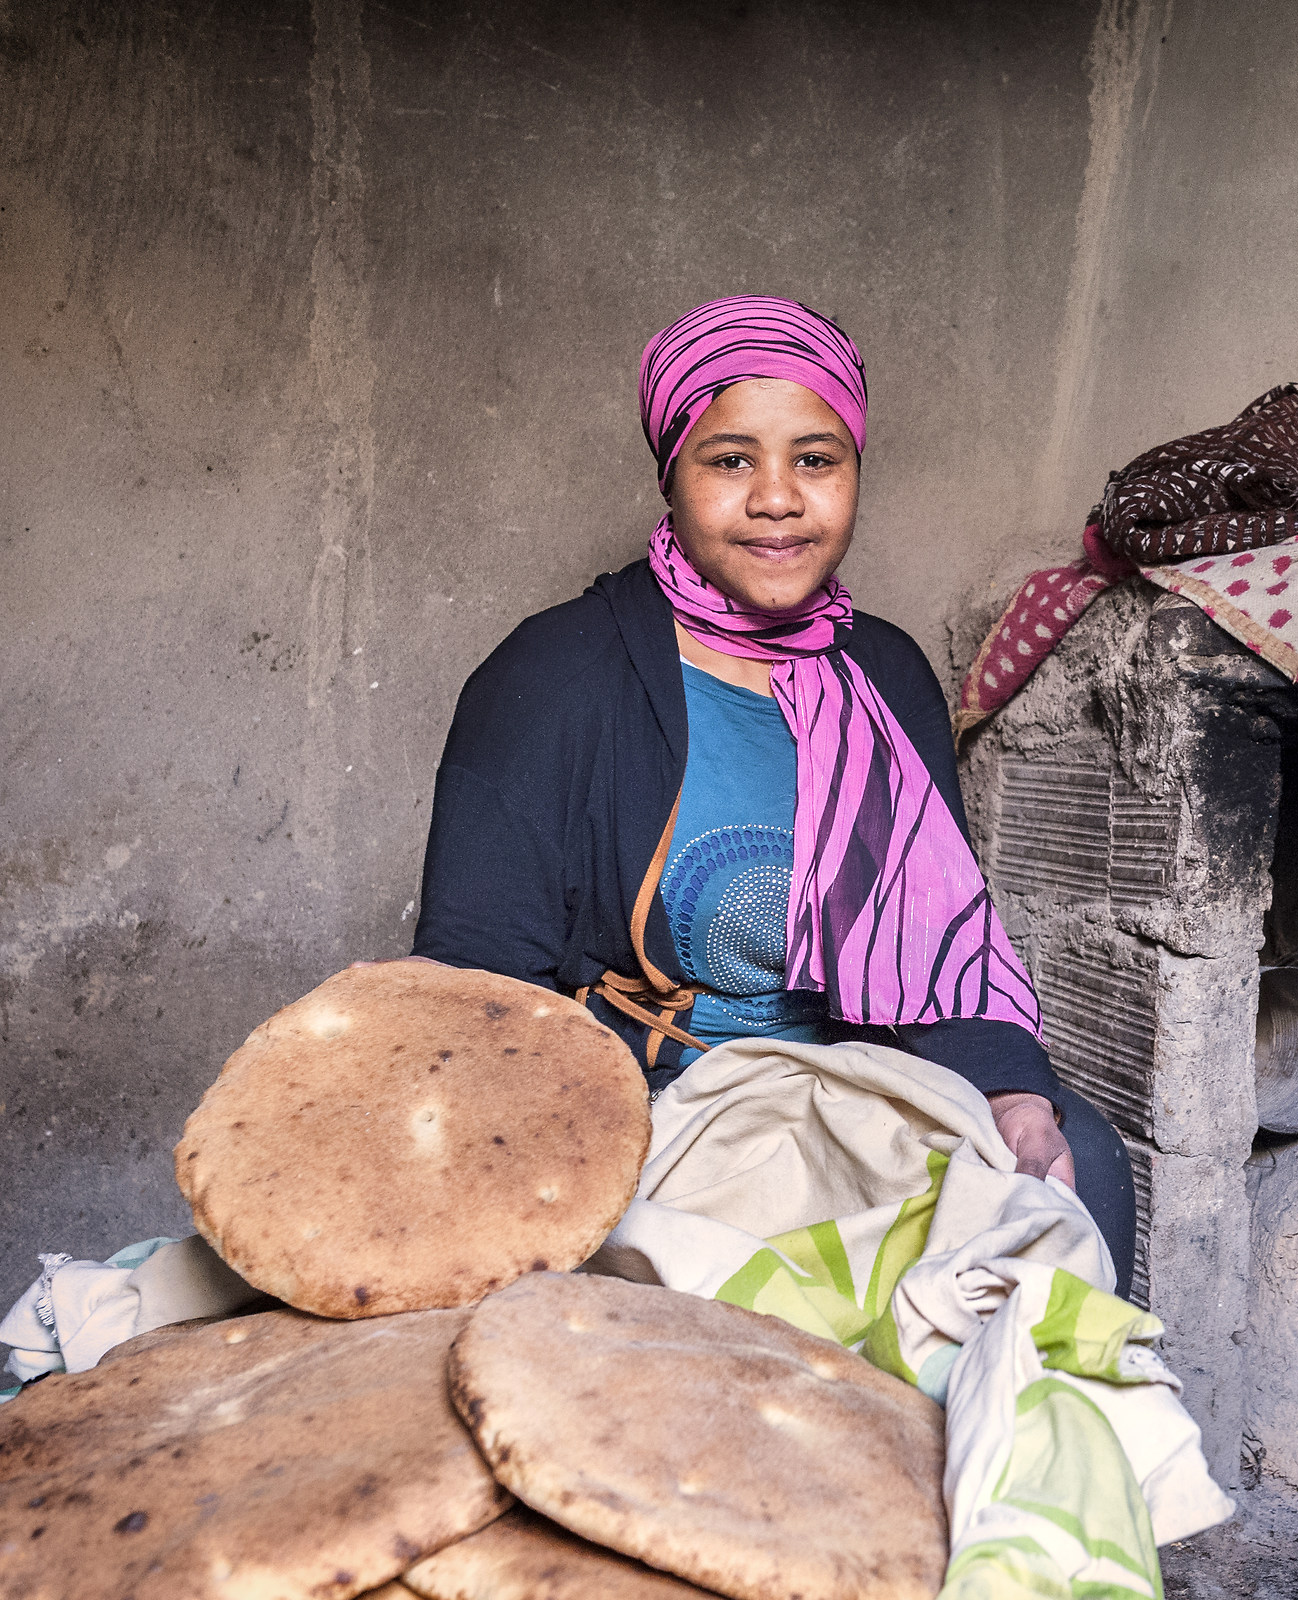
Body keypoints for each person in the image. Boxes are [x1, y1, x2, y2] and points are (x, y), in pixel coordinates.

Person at [410, 294, 1136, 1272]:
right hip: (654, 1108)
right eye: (731, 459)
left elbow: (937, 946)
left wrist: (1014, 1099)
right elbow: (478, 1000)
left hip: (856, 1088)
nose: (778, 498)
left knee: (1074, 1162)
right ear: (673, 471)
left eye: (816, 458)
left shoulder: (885, 678)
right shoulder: (552, 677)